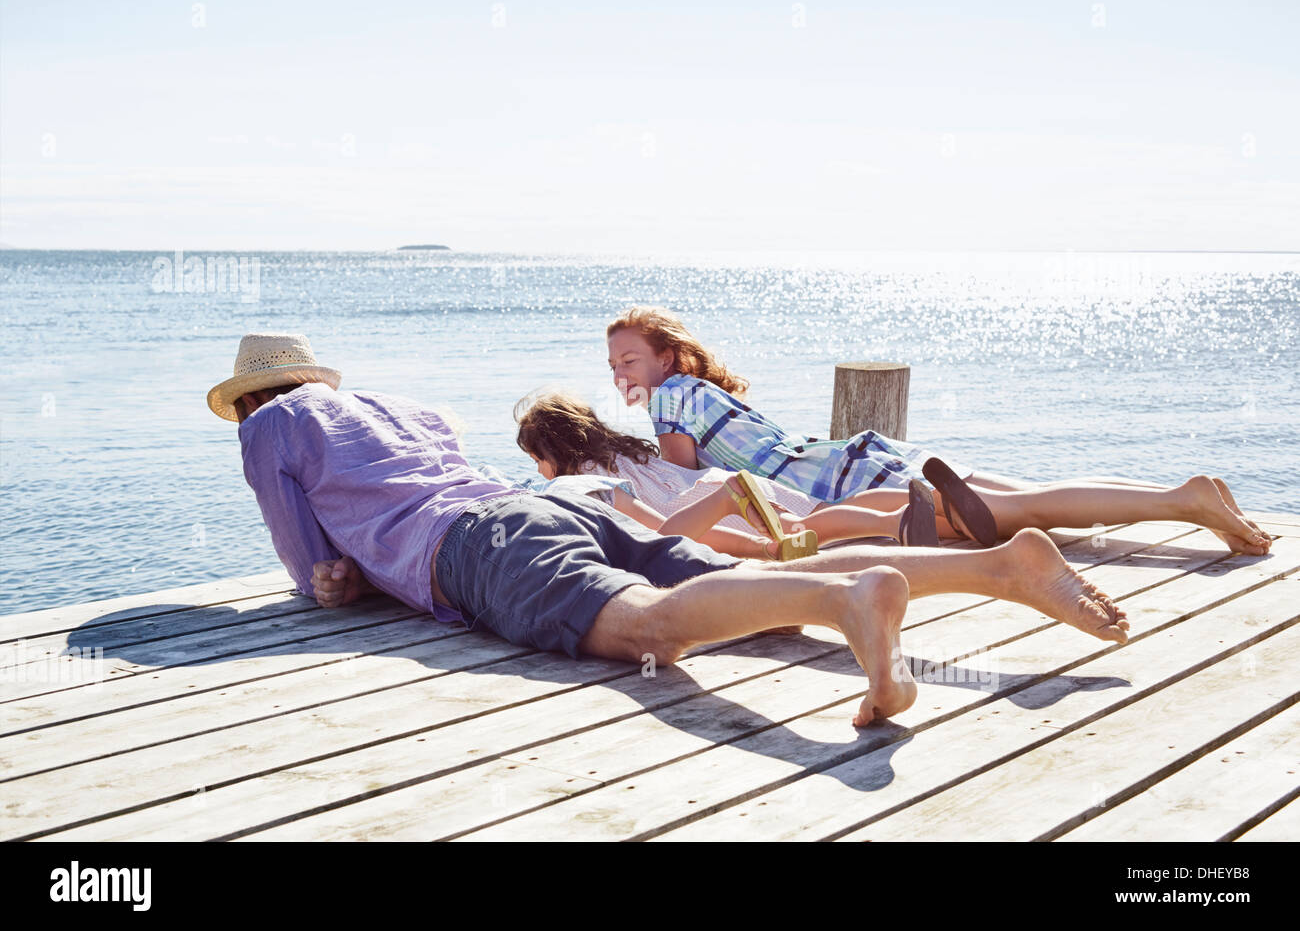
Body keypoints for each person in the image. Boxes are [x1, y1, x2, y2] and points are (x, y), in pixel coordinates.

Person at [210, 332, 1129, 727]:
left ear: (255, 397)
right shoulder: (404, 407)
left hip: (481, 549)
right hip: (566, 509)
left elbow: (307, 564)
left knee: (650, 628)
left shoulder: (268, 425)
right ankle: (1000, 568)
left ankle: (850, 596)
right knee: (738, 592)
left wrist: (335, 582)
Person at [604, 305, 1274, 556]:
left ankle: (1182, 503)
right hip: (862, 454)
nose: (621, 372)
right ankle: (1181, 497)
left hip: (844, 479)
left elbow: (694, 480)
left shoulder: (671, 400)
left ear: (667, 357)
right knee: (1033, 501)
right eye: (614, 364)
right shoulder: (707, 390)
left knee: (1027, 511)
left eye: (630, 359)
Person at [515, 389, 944, 555]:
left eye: (538, 459)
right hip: (721, 483)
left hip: (705, 506)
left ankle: (899, 522)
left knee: (802, 526)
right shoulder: (624, 450)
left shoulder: (587, 477)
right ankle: (908, 512)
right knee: (815, 515)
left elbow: (658, 523)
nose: (539, 470)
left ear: (556, 449)